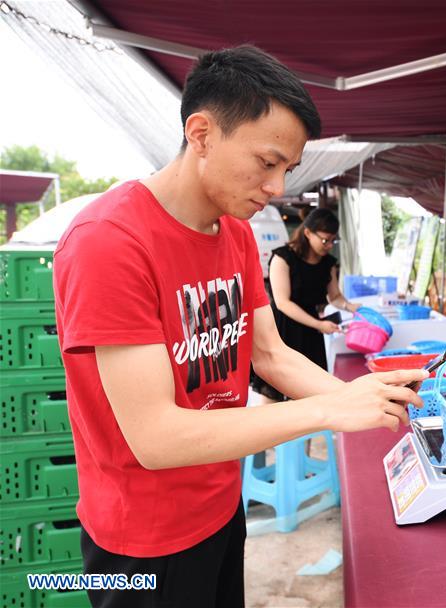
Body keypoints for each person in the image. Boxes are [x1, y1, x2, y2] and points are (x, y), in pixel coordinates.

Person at [53, 45, 426, 608]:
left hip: (220, 506)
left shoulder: (234, 235)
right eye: (267, 162)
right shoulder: (109, 242)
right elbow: (155, 437)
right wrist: (327, 411)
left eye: (287, 170)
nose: (277, 187)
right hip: (143, 540)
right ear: (201, 133)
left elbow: (270, 356)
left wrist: (365, 396)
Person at [251, 208, 359, 403]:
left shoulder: (328, 263)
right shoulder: (283, 258)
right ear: (308, 233)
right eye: (325, 240)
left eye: (333, 241)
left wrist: (351, 307)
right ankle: (272, 433)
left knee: (308, 394)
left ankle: (304, 434)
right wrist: (319, 325)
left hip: (310, 333)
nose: (328, 246)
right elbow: (283, 303)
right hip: (282, 329)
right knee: (273, 392)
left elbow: (334, 297)